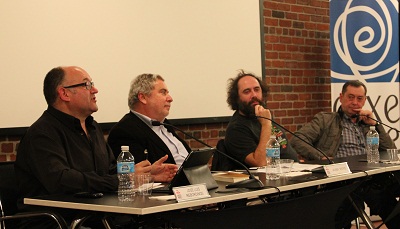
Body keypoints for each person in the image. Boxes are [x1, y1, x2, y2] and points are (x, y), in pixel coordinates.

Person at [15, 66, 176, 228]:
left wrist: (145, 176)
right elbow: (62, 181)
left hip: (98, 216)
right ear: (64, 94)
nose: (95, 90)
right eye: (87, 85)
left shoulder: (93, 127)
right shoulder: (42, 133)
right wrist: (122, 180)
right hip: (56, 221)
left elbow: (110, 171)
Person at [291, 80, 400, 228]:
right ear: (341, 97)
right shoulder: (325, 119)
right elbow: (297, 139)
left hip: (371, 177)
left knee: (386, 197)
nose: (355, 102)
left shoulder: (369, 124)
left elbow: (390, 150)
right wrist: (320, 157)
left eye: (359, 98)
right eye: (350, 97)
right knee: (373, 196)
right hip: (341, 180)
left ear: (365, 100)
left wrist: (376, 125)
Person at [108, 73, 191, 167]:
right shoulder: (124, 131)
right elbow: (138, 175)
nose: (170, 98)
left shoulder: (165, 124)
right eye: (163, 92)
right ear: (143, 98)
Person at [223, 70, 298, 169]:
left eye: (257, 89)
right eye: (247, 91)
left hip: (296, 171)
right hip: (271, 179)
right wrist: (266, 124)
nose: (254, 95)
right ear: (237, 98)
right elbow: (261, 163)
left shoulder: (262, 114)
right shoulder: (236, 129)